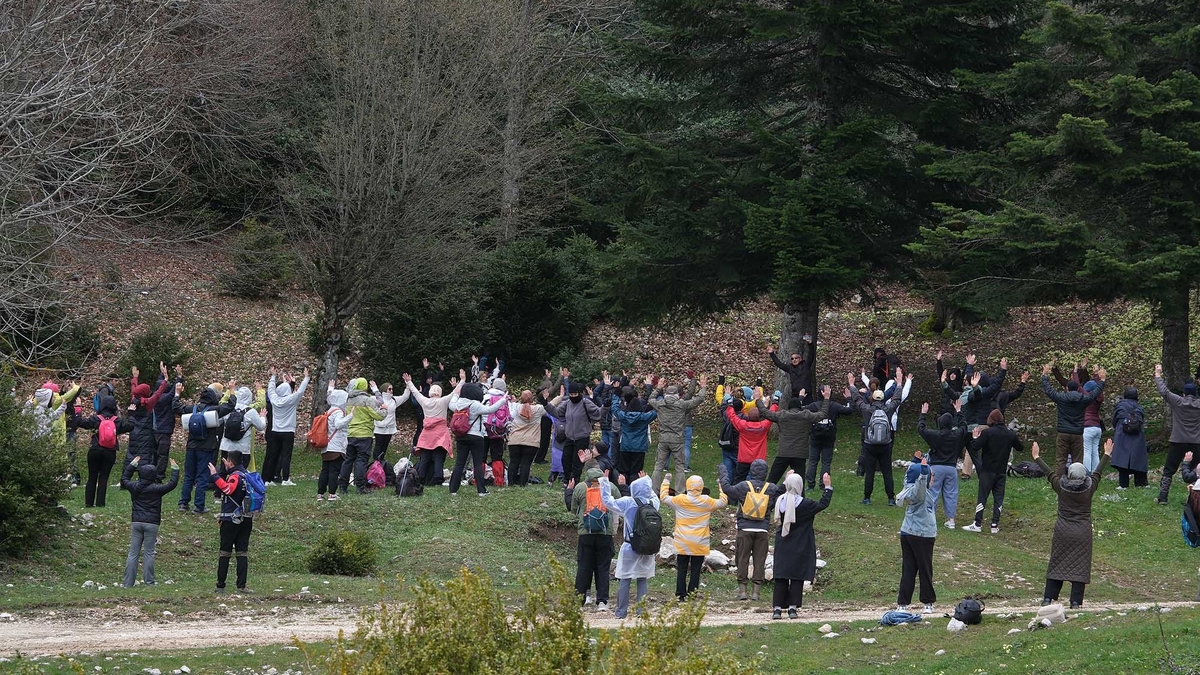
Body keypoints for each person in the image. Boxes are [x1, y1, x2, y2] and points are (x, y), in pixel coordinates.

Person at [1033, 438, 1109, 608]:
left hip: (1062, 531)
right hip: (1082, 532)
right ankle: (1075, 602)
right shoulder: (1089, 488)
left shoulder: (1061, 486)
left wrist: (1037, 457)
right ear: (1084, 476)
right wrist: (1107, 454)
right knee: (1080, 567)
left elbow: (1049, 473)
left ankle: (1048, 598)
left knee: (1057, 563)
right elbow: (1098, 472)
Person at [597, 473, 660, 620]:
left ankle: (621, 612)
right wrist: (646, 480)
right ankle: (641, 612)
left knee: (625, 578)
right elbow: (654, 494)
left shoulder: (628, 502)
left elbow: (607, 501)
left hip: (630, 546)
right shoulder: (653, 503)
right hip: (648, 546)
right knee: (642, 578)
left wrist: (605, 481)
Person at [719, 459, 783, 601]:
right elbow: (781, 494)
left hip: (744, 529)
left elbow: (726, 488)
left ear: (751, 470)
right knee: (759, 560)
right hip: (763, 530)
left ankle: (742, 591)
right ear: (766, 472)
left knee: (742, 559)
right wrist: (786, 480)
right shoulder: (771, 488)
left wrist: (723, 471)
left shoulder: (743, 486)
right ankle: (756, 593)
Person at [772, 472, 833, 619]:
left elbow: (776, 493)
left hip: (782, 543)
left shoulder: (779, 501)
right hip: (800, 543)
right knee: (796, 576)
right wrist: (828, 487)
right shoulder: (806, 504)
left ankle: (777, 609)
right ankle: (793, 608)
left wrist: (784, 480)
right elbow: (822, 504)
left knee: (781, 575)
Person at [660, 472, 728, 601]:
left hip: (683, 541)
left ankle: (680, 595)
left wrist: (666, 480)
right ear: (701, 487)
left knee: (682, 569)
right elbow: (723, 502)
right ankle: (692, 595)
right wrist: (721, 486)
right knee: (695, 570)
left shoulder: (680, 500)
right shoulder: (707, 501)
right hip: (699, 542)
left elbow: (663, 497)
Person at [174, 382, 236, 514]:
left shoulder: (192, 409)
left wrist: (177, 393)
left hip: (191, 447)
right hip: (206, 448)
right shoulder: (215, 410)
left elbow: (175, 407)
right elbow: (231, 405)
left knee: (189, 476)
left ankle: (183, 503)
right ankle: (199, 506)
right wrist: (231, 391)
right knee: (202, 476)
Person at [847, 366, 905, 505]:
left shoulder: (867, 409)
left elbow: (857, 400)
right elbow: (897, 398)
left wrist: (851, 385)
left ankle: (867, 498)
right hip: (885, 445)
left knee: (870, 471)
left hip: (869, 444)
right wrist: (899, 383)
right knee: (887, 472)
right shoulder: (889, 409)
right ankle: (891, 498)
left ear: (872, 397)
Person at [119, 455, 179, 587]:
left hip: (136, 522)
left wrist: (132, 464)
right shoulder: (157, 489)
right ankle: (149, 582)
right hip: (152, 523)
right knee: (149, 553)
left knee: (133, 553)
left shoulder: (134, 487)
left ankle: (128, 583)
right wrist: (175, 468)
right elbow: (172, 483)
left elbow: (124, 479)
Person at [567, 467, 622, 610]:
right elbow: (618, 505)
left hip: (586, 533)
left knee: (584, 567)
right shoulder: (610, 486)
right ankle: (602, 601)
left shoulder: (580, 487)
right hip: (605, 533)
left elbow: (573, 509)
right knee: (603, 567)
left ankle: (579, 601)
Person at [1041, 362, 1106, 477]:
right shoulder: (1084, 399)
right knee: (1078, 459)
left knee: (1061, 459)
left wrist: (1045, 376)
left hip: (1063, 432)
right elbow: (1095, 393)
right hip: (1077, 433)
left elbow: (1049, 390)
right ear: (1078, 388)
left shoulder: (1061, 398)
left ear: (1067, 388)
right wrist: (1102, 381)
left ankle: (1059, 481)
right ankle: (1078, 480)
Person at [964, 409, 1023, 534]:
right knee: (998, 498)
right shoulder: (1010, 434)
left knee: (982, 497)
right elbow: (1020, 447)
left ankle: (977, 523)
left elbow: (975, 447)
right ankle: (994, 525)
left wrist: (975, 438)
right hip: (1001, 471)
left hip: (987, 470)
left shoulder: (987, 433)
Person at [757, 386, 830, 484]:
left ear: (788, 407)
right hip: (799, 454)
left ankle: (766, 497)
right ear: (800, 407)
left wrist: (757, 400)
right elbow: (823, 414)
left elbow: (765, 412)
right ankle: (800, 499)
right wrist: (826, 398)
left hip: (784, 453)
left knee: (771, 481)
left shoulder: (782, 415)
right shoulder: (806, 415)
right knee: (799, 484)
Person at [448, 374, 506, 497]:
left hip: (461, 436)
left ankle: (453, 489)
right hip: (476, 437)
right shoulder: (475, 404)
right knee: (478, 463)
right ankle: (481, 490)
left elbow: (450, 403)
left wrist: (456, 393)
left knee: (460, 463)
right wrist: (503, 400)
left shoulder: (458, 404)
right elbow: (490, 410)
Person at [649, 376, 707, 494]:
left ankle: (654, 491)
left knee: (658, 465)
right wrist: (703, 387)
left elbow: (650, 399)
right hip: (677, 440)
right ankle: (680, 492)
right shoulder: (682, 405)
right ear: (677, 395)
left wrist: (658, 387)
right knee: (679, 467)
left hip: (663, 439)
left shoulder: (660, 404)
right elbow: (699, 398)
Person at [75, 394, 135, 507]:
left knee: (92, 476)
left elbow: (79, 422)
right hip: (110, 451)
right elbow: (130, 426)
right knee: (103, 477)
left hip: (95, 449)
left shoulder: (95, 419)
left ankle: (88, 503)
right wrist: (131, 413)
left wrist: (78, 407)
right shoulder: (117, 421)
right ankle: (100, 503)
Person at [895, 453, 937, 613]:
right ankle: (927, 603)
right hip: (923, 535)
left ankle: (902, 604)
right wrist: (924, 471)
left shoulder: (908, 488)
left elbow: (910, 474)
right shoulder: (920, 491)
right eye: (931, 476)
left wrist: (915, 462)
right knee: (925, 570)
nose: (932, 479)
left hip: (907, 533)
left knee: (908, 569)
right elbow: (921, 482)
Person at [209, 451, 255, 593]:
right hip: (246, 519)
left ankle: (220, 585)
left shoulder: (235, 476)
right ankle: (241, 586)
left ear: (231, 462)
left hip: (231, 519)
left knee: (225, 553)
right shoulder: (248, 475)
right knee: (242, 553)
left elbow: (228, 489)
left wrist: (215, 475)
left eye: (227, 462)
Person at [1154, 364, 1200, 504]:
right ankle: (1193, 499)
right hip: (1196, 442)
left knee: (1169, 470)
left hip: (1178, 441)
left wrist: (1157, 374)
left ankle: (1163, 497)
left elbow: (1164, 391)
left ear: (1184, 393)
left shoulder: (1178, 401)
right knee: (1195, 471)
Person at [917, 400, 967, 528]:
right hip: (951, 468)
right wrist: (959, 411)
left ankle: (930, 518)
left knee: (932, 493)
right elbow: (964, 427)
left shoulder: (935, 435)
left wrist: (923, 414)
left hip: (936, 468)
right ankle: (951, 520)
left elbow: (921, 429)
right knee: (951, 494)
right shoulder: (956, 435)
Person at [547, 382, 603, 485]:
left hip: (582, 438)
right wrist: (545, 404)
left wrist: (606, 406)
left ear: (580, 393)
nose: (573, 396)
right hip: (569, 437)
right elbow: (557, 413)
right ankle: (567, 480)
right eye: (571, 394)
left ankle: (574, 482)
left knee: (577, 463)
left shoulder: (586, 403)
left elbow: (598, 413)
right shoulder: (567, 403)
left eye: (575, 394)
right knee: (565, 460)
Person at [404, 373, 454, 487]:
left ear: (430, 392)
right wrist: (461, 381)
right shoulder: (443, 401)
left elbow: (416, 393)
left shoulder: (425, 401)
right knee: (438, 457)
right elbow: (454, 394)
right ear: (440, 392)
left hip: (427, 434)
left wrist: (409, 382)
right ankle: (437, 478)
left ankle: (420, 478)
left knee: (425, 457)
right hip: (440, 434)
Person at [338, 378, 385, 495]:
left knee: (348, 460)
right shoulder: (367, 400)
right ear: (365, 387)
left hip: (351, 433)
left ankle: (342, 485)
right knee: (361, 461)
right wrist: (384, 410)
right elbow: (378, 415)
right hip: (364, 434)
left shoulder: (349, 399)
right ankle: (360, 486)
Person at [265, 368, 310, 486]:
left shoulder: (274, 399)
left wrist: (273, 376)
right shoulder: (291, 399)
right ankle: (285, 479)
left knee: (273, 455)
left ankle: (268, 480)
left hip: (275, 430)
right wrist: (306, 378)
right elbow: (300, 391)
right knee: (286, 455)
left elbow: (271, 389)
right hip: (288, 431)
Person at [805, 387, 855, 491]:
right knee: (826, 462)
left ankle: (810, 486)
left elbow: (800, 409)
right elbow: (849, 410)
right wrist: (849, 399)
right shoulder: (834, 406)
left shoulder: (813, 406)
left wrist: (801, 398)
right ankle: (824, 485)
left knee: (813, 461)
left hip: (815, 437)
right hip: (829, 437)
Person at [724, 393, 778, 483]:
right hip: (759, 459)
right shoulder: (763, 426)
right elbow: (771, 416)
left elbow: (732, 416)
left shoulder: (743, 426)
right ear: (759, 416)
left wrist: (729, 404)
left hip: (744, 458)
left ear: (748, 416)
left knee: (738, 481)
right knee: (758, 482)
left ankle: (736, 496)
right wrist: (775, 403)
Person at [145, 364, 184, 480]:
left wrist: (162, 373)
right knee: (162, 454)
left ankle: (152, 472)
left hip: (155, 429)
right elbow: (174, 391)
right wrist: (179, 376)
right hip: (164, 430)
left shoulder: (154, 396)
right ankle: (159, 475)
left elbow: (161, 383)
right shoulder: (164, 398)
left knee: (155, 453)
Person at [611, 393, 658, 484]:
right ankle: (634, 488)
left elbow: (614, 409)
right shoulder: (644, 417)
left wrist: (616, 395)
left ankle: (623, 487)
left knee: (623, 470)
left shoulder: (624, 416)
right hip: (639, 447)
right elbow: (657, 411)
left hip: (625, 446)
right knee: (636, 471)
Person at [370, 379, 408, 487]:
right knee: (378, 447)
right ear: (384, 389)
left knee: (384, 449)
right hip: (379, 428)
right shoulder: (376, 399)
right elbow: (366, 399)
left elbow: (405, 396)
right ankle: (375, 467)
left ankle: (380, 467)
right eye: (389, 389)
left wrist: (408, 386)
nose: (391, 390)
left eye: (392, 389)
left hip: (390, 429)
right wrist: (375, 389)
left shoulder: (394, 400)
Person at [219, 387, 267, 470]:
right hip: (242, 448)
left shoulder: (229, 408)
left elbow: (218, 421)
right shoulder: (251, 412)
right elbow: (261, 427)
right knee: (239, 473)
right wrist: (263, 417)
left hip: (226, 446)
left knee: (223, 472)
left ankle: (221, 482)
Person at [318, 385, 352, 501]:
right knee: (334, 470)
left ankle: (320, 494)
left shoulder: (329, 410)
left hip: (327, 445)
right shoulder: (338, 412)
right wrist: (350, 416)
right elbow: (338, 424)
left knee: (325, 470)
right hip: (336, 446)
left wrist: (330, 388)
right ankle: (332, 493)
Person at [1111, 387, 1148, 489]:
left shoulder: (1120, 406)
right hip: (1137, 436)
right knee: (1138, 458)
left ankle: (1123, 484)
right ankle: (1141, 483)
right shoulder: (1139, 407)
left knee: (1122, 460)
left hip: (1122, 435)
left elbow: (1114, 421)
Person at [507, 389, 546, 487]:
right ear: (532, 398)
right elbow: (551, 406)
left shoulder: (516, 407)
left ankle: (511, 483)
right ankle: (523, 484)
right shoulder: (538, 409)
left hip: (515, 440)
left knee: (513, 462)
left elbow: (510, 412)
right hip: (530, 441)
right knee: (526, 463)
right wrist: (560, 396)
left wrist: (513, 402)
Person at [482, 377, 510, 486]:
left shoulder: (486, 397)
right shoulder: (505, 399)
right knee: (497, 457)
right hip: (499, 432)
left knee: (481, 456)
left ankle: (477, 479)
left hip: (484, 431)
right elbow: (510, 416)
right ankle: (499, 480)